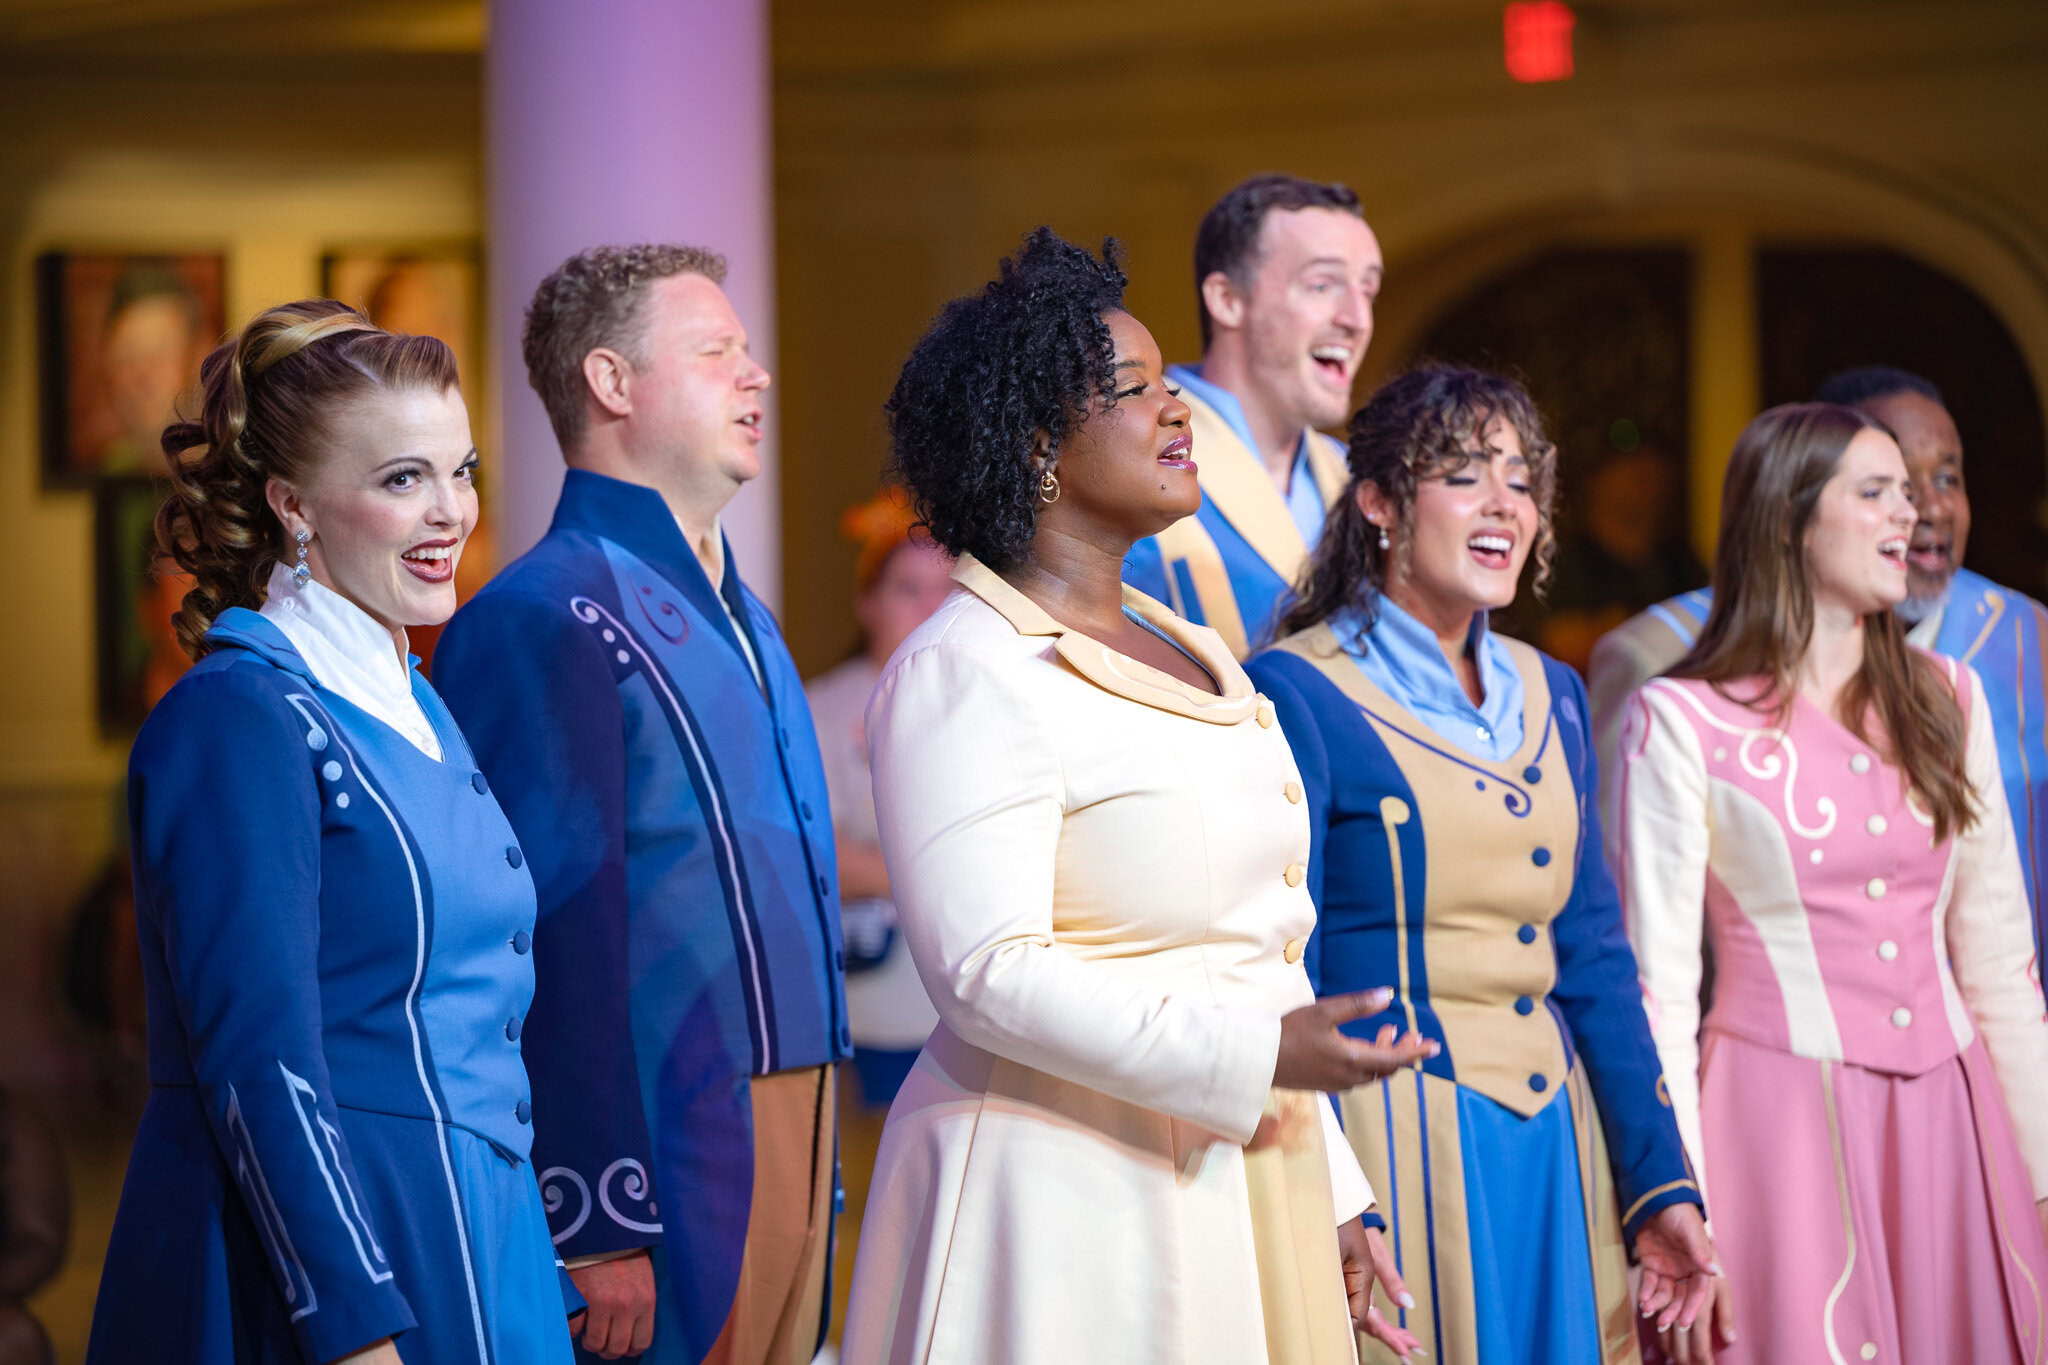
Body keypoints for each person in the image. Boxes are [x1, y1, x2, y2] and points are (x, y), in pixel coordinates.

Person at [840, 228, 1436, 1365]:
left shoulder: (1190, 645)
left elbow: (1254, 954)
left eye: (1173, 383)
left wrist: (1338, 1190)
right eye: (1135, 391)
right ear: (1032, 448)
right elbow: (987, 975)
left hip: (1239, 1160)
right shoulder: (967, 667)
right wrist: (1253, 1062)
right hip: (1062, 1194)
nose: (1175, 412)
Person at [87, 300, 577, 1365]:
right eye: (403, 479)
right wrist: (351, 1324)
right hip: (337, 1258)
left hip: (482, 1230)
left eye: (463, 469)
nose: (452, 511)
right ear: (291, 505)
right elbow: (259, 1065)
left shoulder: (414, 698)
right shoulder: (240, 718)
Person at [1245, 366, 1721, 1365]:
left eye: (1520, 476)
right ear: (1377, 502)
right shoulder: (1296, 690)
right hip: (1392, 1141)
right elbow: (1272, 971)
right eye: (1465, 474)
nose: (1505, 501)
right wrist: (1332, 1191)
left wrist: (1657, 1184)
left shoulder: (1550, 689)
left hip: (1555, 1142)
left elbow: (1590, 956)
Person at [435, 245, 847, 1365]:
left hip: (793, 1111)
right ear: (612, 384)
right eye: (717, 353)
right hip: (671, 1133)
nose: (755, 377)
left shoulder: (744, 614)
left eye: (748, 354)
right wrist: (592, 1208)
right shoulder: (546, 612)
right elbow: (544, 932)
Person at [1613, 402, 2048, 1364]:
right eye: (1876, 492)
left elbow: (2000, 965)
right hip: (1776, 1134)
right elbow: (1658, 993)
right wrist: (1682, 1198)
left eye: (1915, 491)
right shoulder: (1681, 721)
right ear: (1788, 520)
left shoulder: (1952, 700)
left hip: (1953, 1126)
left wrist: (2044, 1175)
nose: (1911, 515)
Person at [1587, 368, 2048, 968]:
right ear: (1796, 505)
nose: (1923, 508)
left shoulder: (2029, 638)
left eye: (1946, 478)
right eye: (1883, 487)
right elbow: (1626, 914)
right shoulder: (1661, 660)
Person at [1122, 174, 1383, 657]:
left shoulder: (1357, 479)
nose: (1356, 318)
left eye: (1367, 290)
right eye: (1322, 284)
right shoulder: (1129, 458)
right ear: (1227, 300)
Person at [803, 488, 952, 1109]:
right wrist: (949, 871)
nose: (932, 606)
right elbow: (811, 851)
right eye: (908, 589)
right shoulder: (822, 707)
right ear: (867, 602)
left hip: (965, 1005)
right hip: (867, 1006)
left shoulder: (982, 698)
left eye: (947, 590)